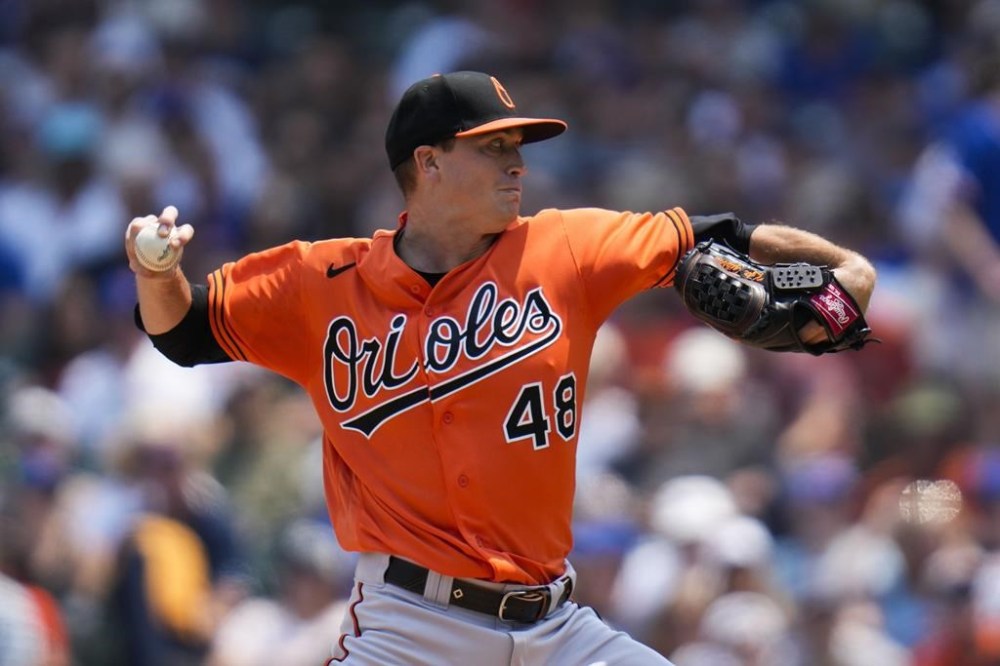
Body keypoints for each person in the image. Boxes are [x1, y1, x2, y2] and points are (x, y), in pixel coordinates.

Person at [125, 70, 877, 664]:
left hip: (557, 629)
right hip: (408, 631)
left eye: (517, 146)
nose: (517, 163)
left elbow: (719, 237)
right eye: (491, 147)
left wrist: (847, 277)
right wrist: (153, 272)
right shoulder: (321, 285)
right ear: (428, 164)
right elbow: (183, 330)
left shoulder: (566, 249)